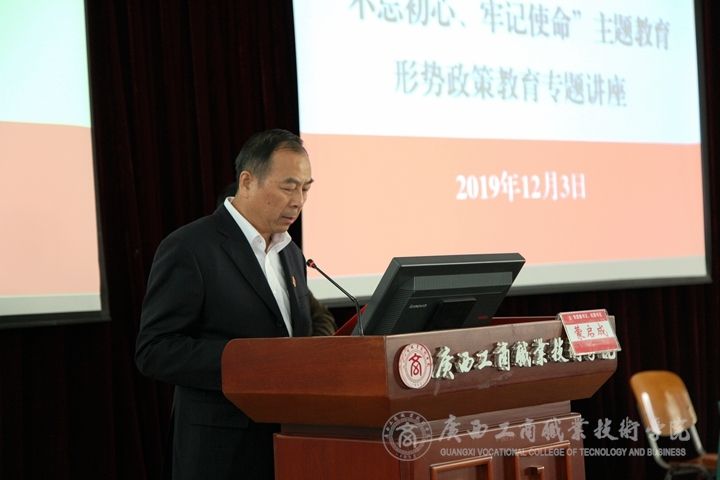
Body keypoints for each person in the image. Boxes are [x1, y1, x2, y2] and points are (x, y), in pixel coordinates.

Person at [136, 129, 333, 480]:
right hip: (220, 453)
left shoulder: (290, 252)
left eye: (306, 189)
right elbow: (155, 350)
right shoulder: (190, 247)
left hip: (291, 443)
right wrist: (251, 362)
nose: (298, 201)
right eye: (288, 187)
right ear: (247, 182)